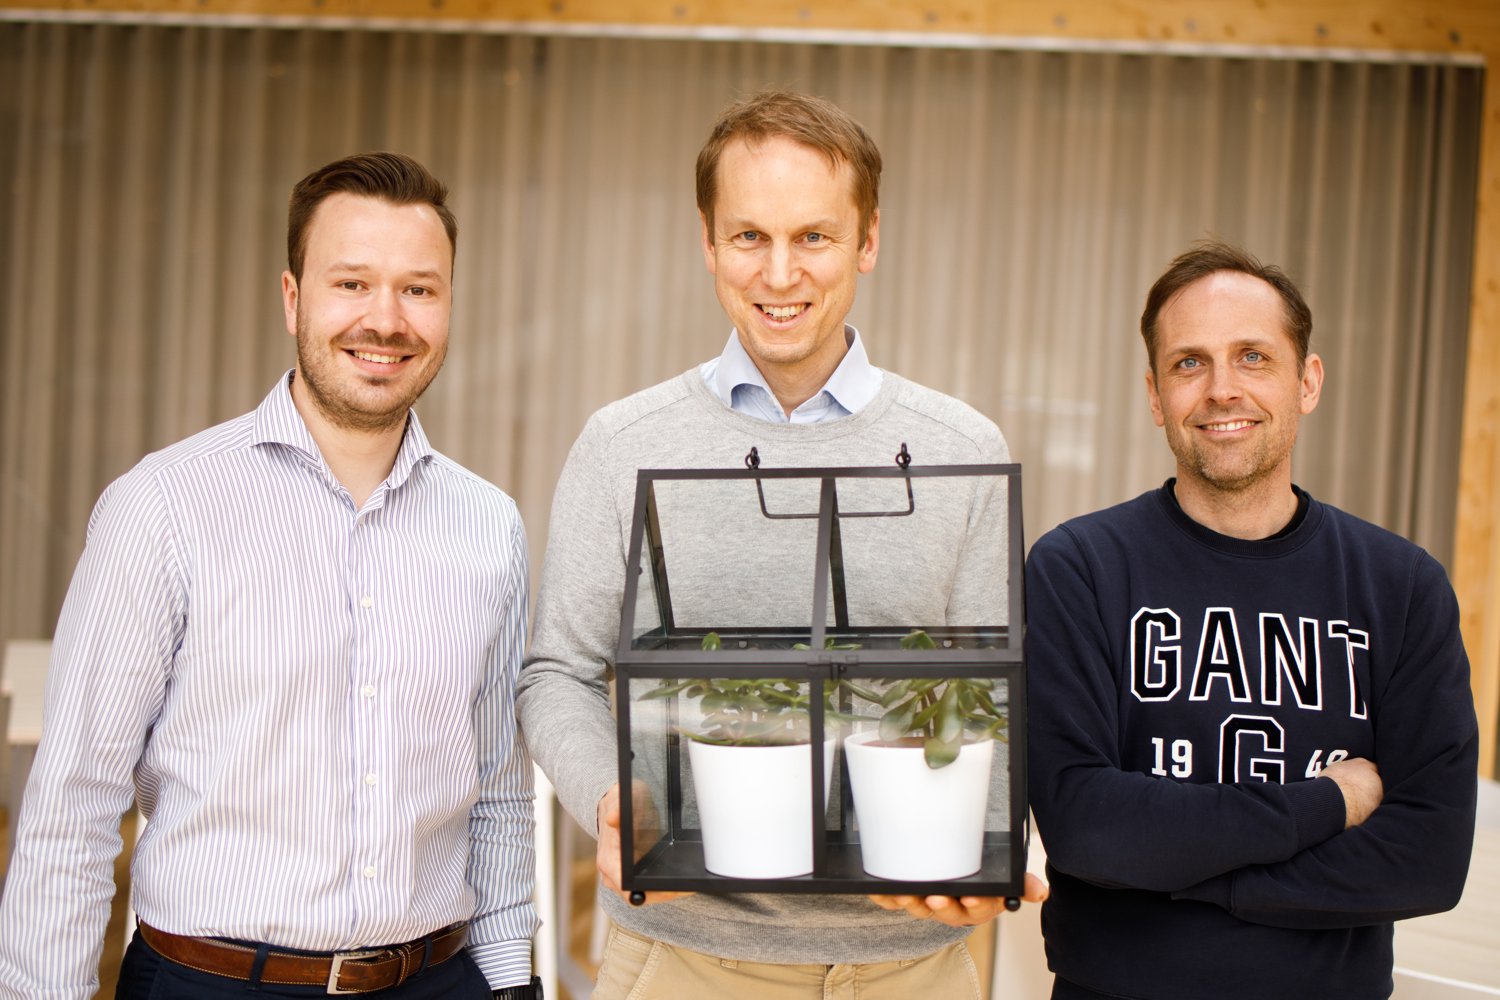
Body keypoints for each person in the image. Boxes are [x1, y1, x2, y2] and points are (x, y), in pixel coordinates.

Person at [516, 90, 1044, 1000]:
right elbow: (557, 669)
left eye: (815, 236)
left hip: (910, 965)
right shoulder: (622, 442)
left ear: (868, 241)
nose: (779, 272)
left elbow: (990, 687)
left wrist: (985, 845)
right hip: (681, 962)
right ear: (708, 241)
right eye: (749, 236)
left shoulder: (963, 447)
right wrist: (612, 795)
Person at [0, 152, 542, 999]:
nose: (386, 319)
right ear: (293, 298)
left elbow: (498, 792)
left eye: (419, 289)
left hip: (438, 980)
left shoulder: (489, 527)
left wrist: (510, 979)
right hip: (211, 982)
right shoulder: (163, 508)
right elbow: (72, 808)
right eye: (352, 283)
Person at [1025, 240, 1479, 1000]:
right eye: (1189, 363)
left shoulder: (1401, 586)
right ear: (1154, 394)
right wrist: (1329, 803)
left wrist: (1175, 871)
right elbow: (1086, 826)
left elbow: (1427, 856)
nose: (1221, 389)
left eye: (1253, 358)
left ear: (1308, 381)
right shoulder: (1080, 567)